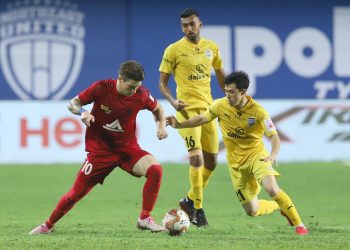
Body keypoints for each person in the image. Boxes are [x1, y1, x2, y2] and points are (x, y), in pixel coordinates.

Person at [29, 60, 168, 234]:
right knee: (75, 194)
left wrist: (160, 126)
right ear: (120, 79)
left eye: (137, 87)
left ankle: (145, 218)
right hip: (100, 152)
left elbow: (158, 108)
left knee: (156, 170)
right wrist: (83, 112)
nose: (134, 91)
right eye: (131, 86)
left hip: (127, 149)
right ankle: (47, 225)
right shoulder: (102, 88)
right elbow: (73, 103)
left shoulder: (141, 94)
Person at [166, 70, 309, 235]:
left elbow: (274, 136)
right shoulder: (220, 105)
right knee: (252, 210)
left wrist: (274, 154)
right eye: (226, 91)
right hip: (235, 164)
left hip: (257, 156)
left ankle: (299, 225)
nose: (228, 95)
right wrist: (179, 124)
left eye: (232, 92)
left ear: (243, 92)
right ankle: (279, 206)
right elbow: (201, 119)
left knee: (272, 188)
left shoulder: (258, 111)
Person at [158, 8, 225, 227]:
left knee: (212, 163)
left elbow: (222, 76)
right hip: (186, 111)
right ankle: (198, 209)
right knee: (196, 158)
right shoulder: (174, 50)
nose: (189, 28)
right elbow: (162, 83)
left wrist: (228, 102)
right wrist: (173, 102)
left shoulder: (211, 48)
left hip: (208, 112)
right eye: (184, 25)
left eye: (192, 24)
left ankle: (188, 199)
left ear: (200, 24)